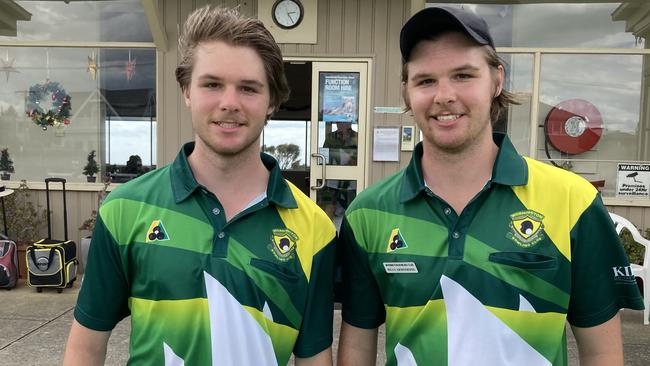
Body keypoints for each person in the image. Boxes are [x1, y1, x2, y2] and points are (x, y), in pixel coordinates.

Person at [337, 6, 644, 366]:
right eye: (425, 81)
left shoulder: (573, 201)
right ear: (407, 91)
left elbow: (602, 353)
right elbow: (356, 349)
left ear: (497, 79)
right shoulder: (368, 213)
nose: (444, 96)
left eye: (464, 75)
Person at [64, 6, 336, 365]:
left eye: (249, 88)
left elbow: (314, 359)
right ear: (186, 91)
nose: (229, 103)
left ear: (272, 101)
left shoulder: (315, 228)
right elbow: (86, 345)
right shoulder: (125, 209)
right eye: (212, 84)